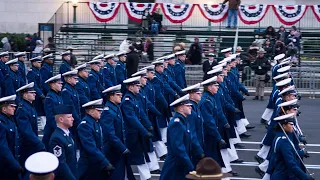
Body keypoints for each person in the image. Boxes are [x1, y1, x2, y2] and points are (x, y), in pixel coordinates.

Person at [199, 76, 236, 176]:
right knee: (209, 156)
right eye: (215, 86)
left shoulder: (211, 98)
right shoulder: (206, 101)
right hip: (209, 134)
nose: (217, 87)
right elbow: (209, 122)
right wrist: (218, 137)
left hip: (212, 132)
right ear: (209, 87)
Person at [121, 76, 153, 180]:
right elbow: (132, 118)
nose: (139, 87)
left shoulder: (134, 98)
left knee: (140, 155)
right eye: (137, 86)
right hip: (131, 133)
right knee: (128, 157)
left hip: (136, 132)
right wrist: (144, 131)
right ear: (130, 87)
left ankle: (145, 177)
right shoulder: (127, 100)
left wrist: (148, 124)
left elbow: (141, 113)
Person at [101, 85, 135, 180]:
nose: (121, 96)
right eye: (118, 94)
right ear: (111, 96)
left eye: (121, 94)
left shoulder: (115, 108)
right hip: (113, 149)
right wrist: (122, 147)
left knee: (121, 174)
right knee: (116, 175)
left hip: (119, 148)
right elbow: (109, 134)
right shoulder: (108, 111)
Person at [132, 70, 163, 174]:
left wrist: (157, 112)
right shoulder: (134, 96)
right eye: (143, 78)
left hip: (145, 122)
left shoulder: (141, 91)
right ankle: (149, 170)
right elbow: (139, 112)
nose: (146, 80)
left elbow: (148, 104)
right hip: (140, 125)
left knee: (148, 146)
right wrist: (147, 124)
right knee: (143, 149)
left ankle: (153, 167)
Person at [160, 94, 196, 180]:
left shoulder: (183, 121)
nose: (190, 107)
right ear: (180, 108)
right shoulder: (177, 123)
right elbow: (178, 147)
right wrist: (189, 165)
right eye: (187, 106)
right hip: (176, 164)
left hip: (181, 162)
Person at [77, 99, 114, 179]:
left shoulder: (95, 122)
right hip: (89, 164)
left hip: (97, 162)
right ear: (90, 111)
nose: (101, 112)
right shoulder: (85, 125)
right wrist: (105, 162)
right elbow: (90, 147)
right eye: (98, 110)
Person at [269, 113, 314, 180]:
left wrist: (301, 153)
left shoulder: (280, 136)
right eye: (291, 124)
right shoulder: (284, 141)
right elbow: (290, 163)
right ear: (284, 126)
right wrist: (304, 177)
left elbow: (288, 153)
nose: (293, 126)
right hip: (284, 176)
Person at [15, 82, 46, 179]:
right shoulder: (22, 109)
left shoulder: (30, 106)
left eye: (34, 92)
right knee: (26, 169)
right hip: (26, 144)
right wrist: (38, 143)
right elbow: (26, 130)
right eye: (31, 92)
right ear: (24, 95)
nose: (35, 94)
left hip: (31, 143)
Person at [49, 104, 77, 180]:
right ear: (61, 119)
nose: (72, 119)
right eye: (69, 117)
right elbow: (61, 164)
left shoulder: (67, 133)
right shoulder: (57, 138)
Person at [0, 95, 23, 179]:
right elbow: (3, 147)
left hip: (12, 161)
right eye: (11, 106)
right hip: (5, 164)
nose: (14, 108)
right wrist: (15, 164)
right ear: (4, 109)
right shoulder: (2, 124)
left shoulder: (10, 120)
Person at [181, 83, 205, 166]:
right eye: (197, 93)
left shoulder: (195, 107)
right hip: (193, 146)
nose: (200, 94)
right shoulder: (191, 110)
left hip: (197, 143)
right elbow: (192, 132)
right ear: (191, 96)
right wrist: (198, 149)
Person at [42, 75, 64, 150]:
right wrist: (59, 128)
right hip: (52, 129)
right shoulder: (50, 98)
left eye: (61, 83)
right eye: (59, 83)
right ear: (52, 85)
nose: (61, 85)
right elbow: (51, 116)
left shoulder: (58, 96)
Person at [61, 70, 81, 144]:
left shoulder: (72, 89)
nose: (76, 80)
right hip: (72, 119)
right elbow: (70, 107)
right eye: (74, 78)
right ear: (69, 79)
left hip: (75, 118)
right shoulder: (66, 91)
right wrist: (77, 119)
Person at [27, 56, 46, 129]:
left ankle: (42, 126)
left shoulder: (38, 71)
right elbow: (33, 84)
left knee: (41, 112)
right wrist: (40, 93)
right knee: (36, 112)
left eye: (40, 62)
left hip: (39, 94)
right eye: (38, 62)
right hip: (35, 94)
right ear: (33, 63)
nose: (40, 64)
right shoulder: (31, 72)